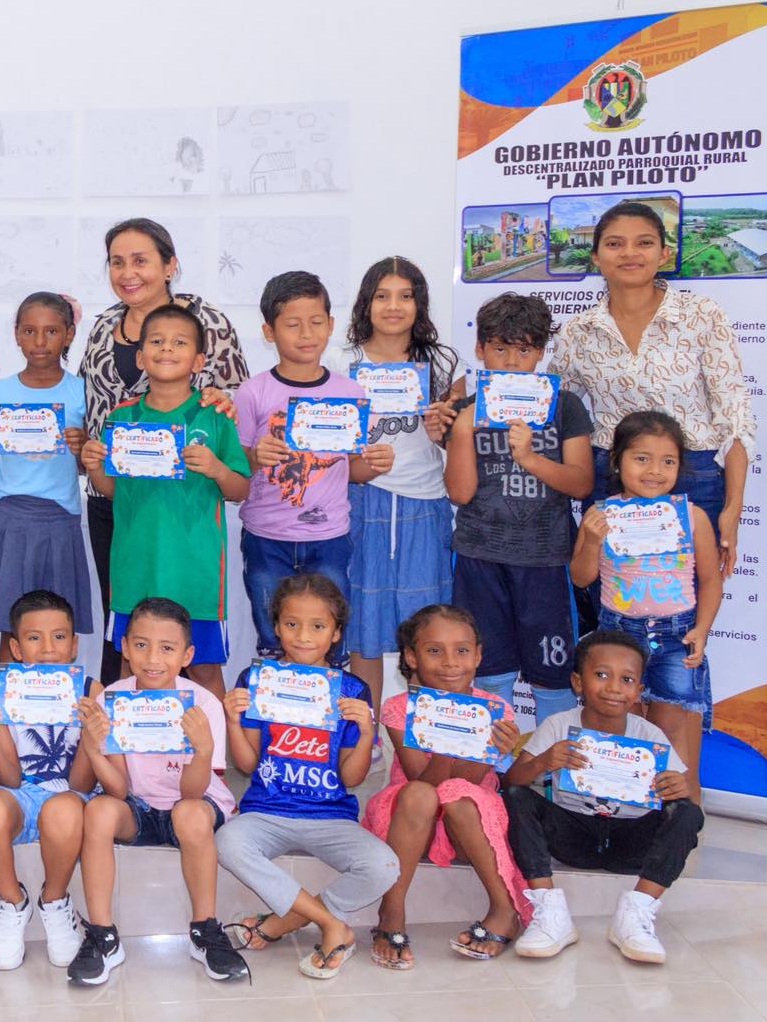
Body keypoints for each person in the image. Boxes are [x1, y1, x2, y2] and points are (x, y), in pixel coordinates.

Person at [547, 200, 755, 604]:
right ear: (596, 256)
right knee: (613, 603)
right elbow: (556, 408)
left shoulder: (701, 315)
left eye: (643, 243)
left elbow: (735, 418)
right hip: (610, 477)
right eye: (614, 244)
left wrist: (733, 509)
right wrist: (468, 405)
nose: (629, 253)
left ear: (664, 254)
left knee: (684, 605)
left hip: (692, 475)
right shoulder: (578, 330)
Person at [76, 218, 249, 683]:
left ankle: (205, 734)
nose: (127, 271)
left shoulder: (210, 407)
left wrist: (215, 464)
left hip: (192, 557)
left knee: (200, 662)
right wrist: (93, 461)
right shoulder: (105, 336)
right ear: (141, 354)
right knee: (127, 659)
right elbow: (108, 480)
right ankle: (123, 732)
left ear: (170, 265)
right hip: (129, 540)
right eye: (117, 262)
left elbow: (238, 479)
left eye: (141, 260)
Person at [216, 574, 395, 980]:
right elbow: (247, 765)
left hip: (330, 815)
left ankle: (285, 922)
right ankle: (331, 923)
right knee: (227, 842)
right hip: (267, 811)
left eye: (318, 626)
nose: (303, 636)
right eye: (292, 624)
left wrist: (367, 732)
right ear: (276, 627)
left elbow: (352, 778)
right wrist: (233, 721)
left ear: (336, 633)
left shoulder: (351, 689)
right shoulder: (256, 681)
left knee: (384, 866)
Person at [503, 628, 706, 964]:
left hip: (631, 840)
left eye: (627, 680)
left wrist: (676, 788)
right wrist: (543, 761)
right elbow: (512, 780)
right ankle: (549, 910)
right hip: (571, 834)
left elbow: (679, 793)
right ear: (577, 682)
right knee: (514, 796)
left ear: (638, 690)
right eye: (601, 675)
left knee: (687, 812)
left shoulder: (649, 734)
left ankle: (637, 912)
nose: (613, 687)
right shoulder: (558, 725)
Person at [70, 596, 243, 986]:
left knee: (188, 812)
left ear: (187, 655)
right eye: (141, 644)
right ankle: (102, 935)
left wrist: (203, 750)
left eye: (167, 648)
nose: (152, 658)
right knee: (97, 811)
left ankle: (205, 930)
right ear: (125, 647)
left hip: (194, 803)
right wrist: (94, 747)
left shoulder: (203, 704)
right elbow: (118, 788)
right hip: (138, 805)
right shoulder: (111, 699)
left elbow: (194, 792)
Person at [444, 293, 594, 718]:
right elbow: (459, 494)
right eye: (499, 349)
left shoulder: (564, 405)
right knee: (489, 672)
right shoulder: (466, 410)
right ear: (480, 349)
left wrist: (530, 459)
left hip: (545, 560)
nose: (511, 361)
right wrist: (461, 431)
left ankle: (552, 760)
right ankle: (496, 758)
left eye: (524, 350)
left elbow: (581, 483)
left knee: (554, 675)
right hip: (479, 558)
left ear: (541, 352)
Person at [235, 272, 392, 658]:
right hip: (266, 537)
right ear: (269, 332)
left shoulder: (350, 392)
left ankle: (328, 693)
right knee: (273, 635)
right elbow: (237, 469)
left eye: (316, 321)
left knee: (328, 637)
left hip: (329, 537)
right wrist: (256, 457)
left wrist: (375, 464)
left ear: (331, 324)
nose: (306, 333)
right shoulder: (253, 392)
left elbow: (353, 470)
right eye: (292, 324)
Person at [363, 604, 527, 969]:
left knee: (458, 795)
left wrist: (489, 748)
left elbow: (466, 783)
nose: (450, 662)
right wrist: (444, 744)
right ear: (412, 656)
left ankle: (504, 910)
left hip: (467, 823)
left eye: (462, 650)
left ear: (478, 655)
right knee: (422, 793)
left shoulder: (495, 709)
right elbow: (421, 780)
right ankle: (392, 911)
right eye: (434, 650)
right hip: (410, 816)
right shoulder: (399, 708)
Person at [570, 411, 720, 786]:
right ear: (616, 460)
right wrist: (592, 541)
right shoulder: (600, 515)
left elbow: (710, 580)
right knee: (624, 735)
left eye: (668, 461)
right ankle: (628, 808)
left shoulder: (692, 517)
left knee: (672, 742)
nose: (655, 470)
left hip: (676, 638)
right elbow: (580, 577)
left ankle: (682, 811)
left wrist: (702, 629)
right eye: (641, 458)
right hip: (618, 636)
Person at [338, 257, 460, 703]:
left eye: (405, 296)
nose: (394, 306)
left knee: (426, 627)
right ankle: (365, 728)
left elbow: (453, 439)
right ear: (366, 303)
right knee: (363, 625)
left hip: (423, 501)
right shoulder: (342, 362)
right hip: (361, 499)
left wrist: (442, 429)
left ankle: (422, 728)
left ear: (419, 303)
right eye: (382, 296)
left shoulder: (441, 362)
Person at [0, 589, 94, 972]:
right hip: (18, 792)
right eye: (34, 638)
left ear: (74, 645)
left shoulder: (91, 692)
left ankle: (55, 901)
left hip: (69, 795)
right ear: (16, 647)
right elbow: (8, 779)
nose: (48, 649)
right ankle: (12, 902)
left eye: (59, 637)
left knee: (63, 809)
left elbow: (80, 784)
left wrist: (92, 737)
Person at [0, 293, 91, 664]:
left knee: (56, 626)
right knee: (12, 625)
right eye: (29, 331)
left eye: (51, 331)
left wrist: (82, 445)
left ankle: (55, 696)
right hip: (7, 517)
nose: (40, 341)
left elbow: (88, 464)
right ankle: (8, 698)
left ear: (69, 334)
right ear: (16, 335)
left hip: (58, 517)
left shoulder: (81, 392)